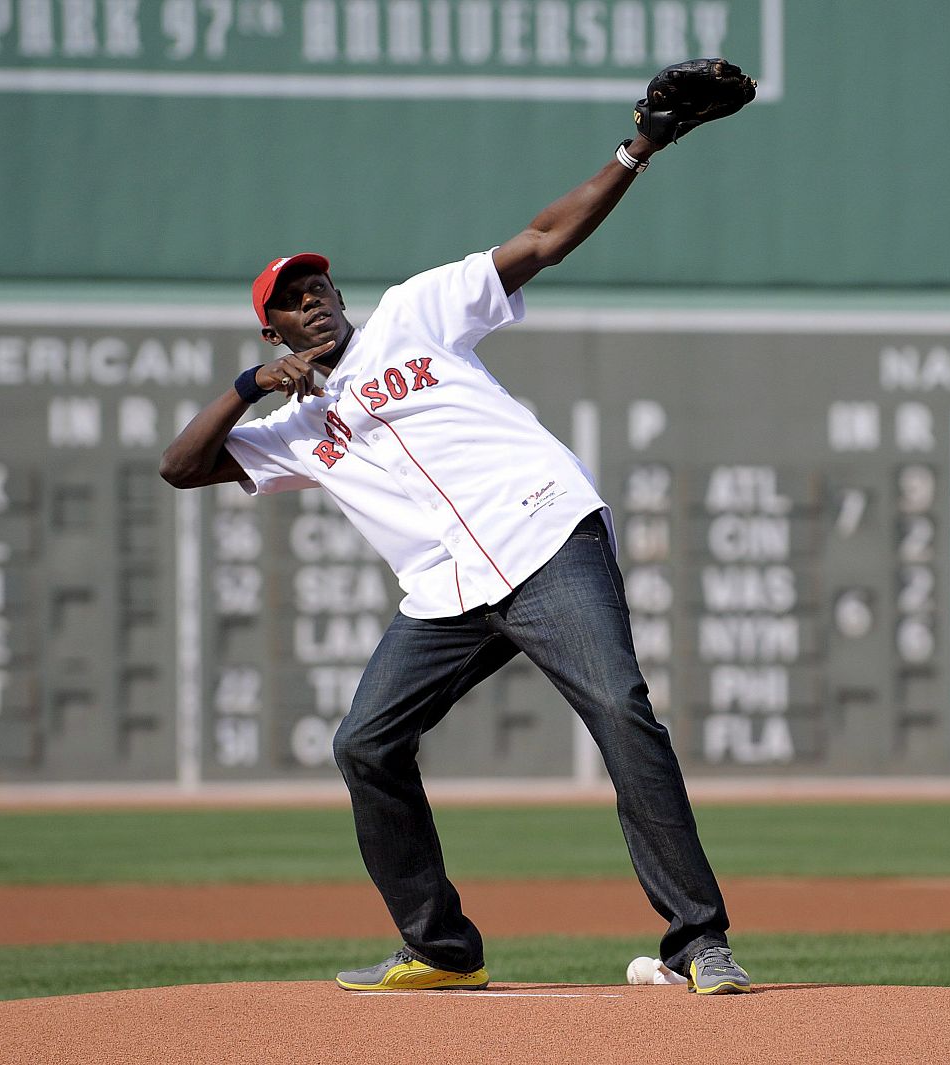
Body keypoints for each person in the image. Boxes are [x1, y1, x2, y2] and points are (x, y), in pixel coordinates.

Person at [159, 66, 755, 996]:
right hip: (445, 594)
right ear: (272, 328)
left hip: (545, 535)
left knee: (620, 712)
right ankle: (442, 948)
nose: (313, 295)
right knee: (364, 745)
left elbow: (543, 239)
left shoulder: (413, 313)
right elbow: (181, 466)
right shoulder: (295, 431)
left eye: (319, 282)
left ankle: (699, 941)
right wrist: (248, 389)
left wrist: (637, 148)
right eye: (291, 295)